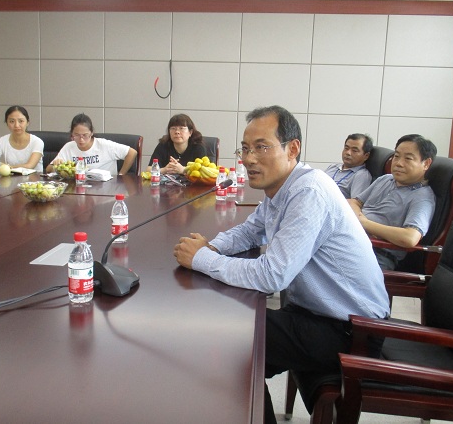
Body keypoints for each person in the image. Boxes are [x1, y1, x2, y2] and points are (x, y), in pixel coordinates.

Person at [173, 105, 390, 424]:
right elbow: (251, 230)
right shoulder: (283, 187)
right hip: (315, 314)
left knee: (228, 340)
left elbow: (272, 275)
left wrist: (202, 259)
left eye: (261, 147)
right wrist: (211, 246)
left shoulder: (309, 192)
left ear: (293, 149)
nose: (249, 159)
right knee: (231, 342)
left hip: (352, 331)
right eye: (245, 148)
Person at [347, 134, 437, 270]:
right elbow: (354, 202)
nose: (399, 163)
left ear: (426, 163)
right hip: (352, 242)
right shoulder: (385, 179)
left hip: (375, 254)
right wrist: (359, 219)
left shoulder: (422, 197)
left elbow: (410, 237)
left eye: (408, 158)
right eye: (396, 156)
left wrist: (364, 224)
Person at [47, 113, 137, 175]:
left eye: (85, 135)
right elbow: (48, 169)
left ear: (91, 133)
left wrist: (121, 175)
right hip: (77, 187)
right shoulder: (69, 147)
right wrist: (55, 166)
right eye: (76, 135)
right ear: (72, 134)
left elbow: (132, 152)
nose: (81, 139)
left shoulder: (103, 145)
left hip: (105, 188)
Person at [0, 105, 44, 172]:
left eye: (21, 121)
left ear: (27, 122)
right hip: (10, 178)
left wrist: (7, 167)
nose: (16, 125)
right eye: (12, 121)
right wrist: (1, 165)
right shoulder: (3, 141)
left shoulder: (37, 142)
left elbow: (29, 166)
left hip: (33, 178)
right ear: (7, 123)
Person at [324, 133, 373, 199]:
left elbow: (355, 203)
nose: (348, 153)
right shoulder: (333, 167)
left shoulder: (361, 175)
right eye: (346, 148)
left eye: (354, 151)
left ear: (366, 156)